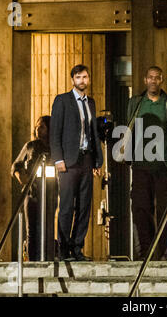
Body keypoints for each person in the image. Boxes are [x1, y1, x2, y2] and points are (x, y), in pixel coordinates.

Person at [127, 66, 167, 261]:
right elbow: (128, 130)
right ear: (145, 80)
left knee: (165, 209)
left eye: (157, 78)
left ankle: (163, 251)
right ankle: (145, 251)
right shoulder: (135, 103)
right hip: (141, 164)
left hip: (164, 165)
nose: (153, 81)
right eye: (150, 77)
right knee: (141, 207)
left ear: (162, 80)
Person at [50, 64, 103, 262]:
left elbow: (94, 133)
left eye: (85, 77)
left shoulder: (91, 103)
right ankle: (63, 249)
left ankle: (77, 248)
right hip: (68, 161)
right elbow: (55, 132)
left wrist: (98, 160)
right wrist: (58, 159)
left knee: (84, 207)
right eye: (79, 77)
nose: (83, 81)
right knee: (66, 206)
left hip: (86, 158)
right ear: (73, 79)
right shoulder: (62, 100)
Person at [11, 116, 55, 261]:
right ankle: (32, 260)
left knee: (48, 227)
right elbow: (16, 165)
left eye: (42, 126)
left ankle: (47, 257)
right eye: (37, 126)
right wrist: (21, 177)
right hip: (31, 192)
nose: (38, 129)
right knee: (31, 229)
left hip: (50, 192)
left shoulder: (54, 147)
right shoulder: (30, 146)